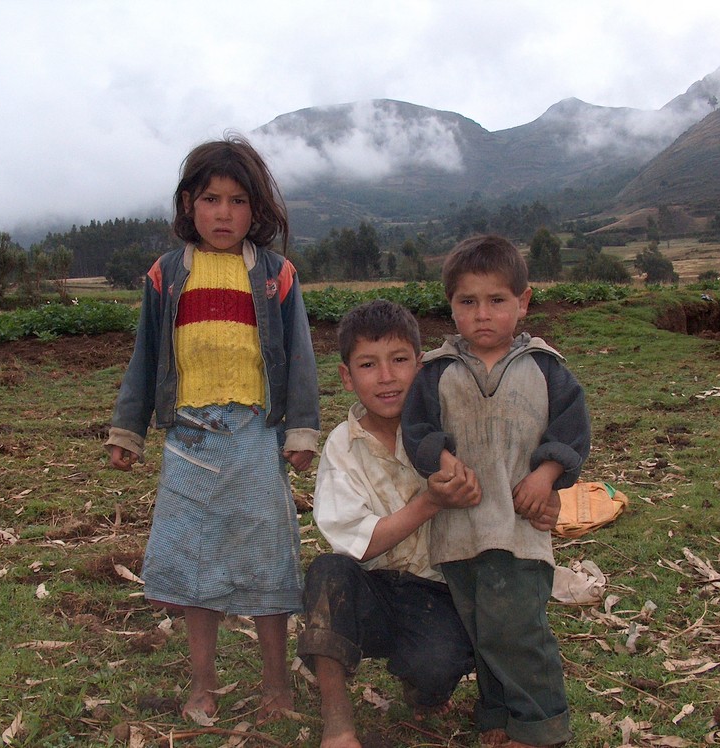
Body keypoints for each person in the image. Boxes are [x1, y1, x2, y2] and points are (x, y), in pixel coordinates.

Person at [104, 134, 320, 722]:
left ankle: (276, 686)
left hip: (256, 437)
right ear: (187, 206)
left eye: (238, 201)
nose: (224, 214)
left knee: (269, 560)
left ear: (257, 210)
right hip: (190, 440)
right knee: (197, 569)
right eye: (210, 200)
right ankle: (204, 683)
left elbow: (299, 356)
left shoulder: (276, 274)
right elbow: (146, 356)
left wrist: (301, 431)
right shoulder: (167, 275)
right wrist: (129, 432)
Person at [401, 234, 591, 748]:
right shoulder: (437, 372)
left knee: (518, 630)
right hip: (459, 529)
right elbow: (416, 430)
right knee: (482, 628)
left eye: (497, 301)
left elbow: (571, 430)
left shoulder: (546, 368)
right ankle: (497, 717)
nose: (482, 314)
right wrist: (443, 463)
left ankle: (541, 725)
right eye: (468, 302)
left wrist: (546, 475)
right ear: (451, 307)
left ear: (523, 302)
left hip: (519, 525)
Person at [299, 299, 486, 748]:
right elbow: (358, 545)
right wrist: (429, 503)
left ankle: (425, 687)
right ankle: (338, 720)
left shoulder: (448, 428)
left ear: (420, 366)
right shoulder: (343, 448)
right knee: (327, 575)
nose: (386, 377)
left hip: (437, 589)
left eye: (399, 360)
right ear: (347, 376)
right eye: (368, 364)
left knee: (436, 665)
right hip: (372, 589)